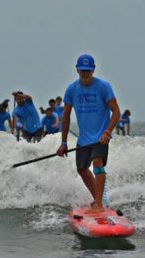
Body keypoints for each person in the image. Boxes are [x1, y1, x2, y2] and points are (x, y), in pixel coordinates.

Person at [56, 54, 120, 213]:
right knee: (82, 169)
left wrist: (107, 131)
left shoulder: (103, 86)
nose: (85, 74)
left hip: (100, 137)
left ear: (93, 70)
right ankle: (99, 199)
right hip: (84, 139)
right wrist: (63, 143)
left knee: (97, 163)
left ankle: (98, 203)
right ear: (77, 69)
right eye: (82, 70)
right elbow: (65, 116)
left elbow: (116, 111)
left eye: (88, 71)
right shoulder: (71, 89)